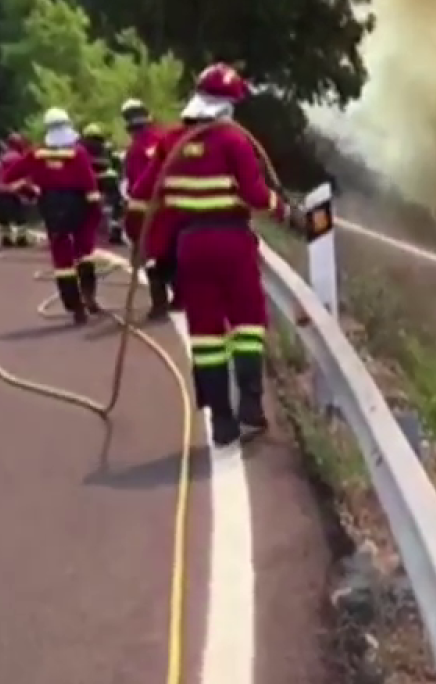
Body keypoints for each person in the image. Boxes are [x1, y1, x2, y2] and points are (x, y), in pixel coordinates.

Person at [129, 63, 302, 446]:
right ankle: (252, 409)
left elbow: (141, 194)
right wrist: (288, 212)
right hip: (232, 244)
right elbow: (257, 196)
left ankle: (222, 421)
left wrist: (143, 240)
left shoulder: (170, 143)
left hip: (190, 246)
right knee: (248, 325)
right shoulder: (233, 141)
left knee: (206, 335)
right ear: (228, 106)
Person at [0, 107, 102, 324]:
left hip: (52, 208)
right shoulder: (78, 153)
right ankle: (89, 296)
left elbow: (8, 177)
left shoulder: (36, 154)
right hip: (79, 205)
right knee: (84, 252)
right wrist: (95, 213)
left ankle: (76, 308)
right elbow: (90, 185)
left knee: (62, 258)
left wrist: (30, 190)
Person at [120, 97, 177, 317]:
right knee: (173, 251)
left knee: (150, 255)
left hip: (148, 211)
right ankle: (180, 297)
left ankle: (159, 303)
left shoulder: (135, 151)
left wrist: (130, 224)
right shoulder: (166, 138)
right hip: (175, 207)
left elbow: (136, 186)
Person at [80, 123, 127, 246]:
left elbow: (118, 166)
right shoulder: (106, 150)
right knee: (117, 202)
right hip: (101, 181)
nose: (93, 143)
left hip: (91, 182)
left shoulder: (80, 149)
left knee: (117, 201)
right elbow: (118, 166)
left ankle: (114, 228)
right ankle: (114, 228)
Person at [0, 132, 35, 247]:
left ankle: (6, 238)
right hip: (10, 190)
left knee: (2, 217)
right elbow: (24, 176)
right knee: (21, 214)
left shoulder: (1, 156)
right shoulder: (17, 157)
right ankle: (21, 238)